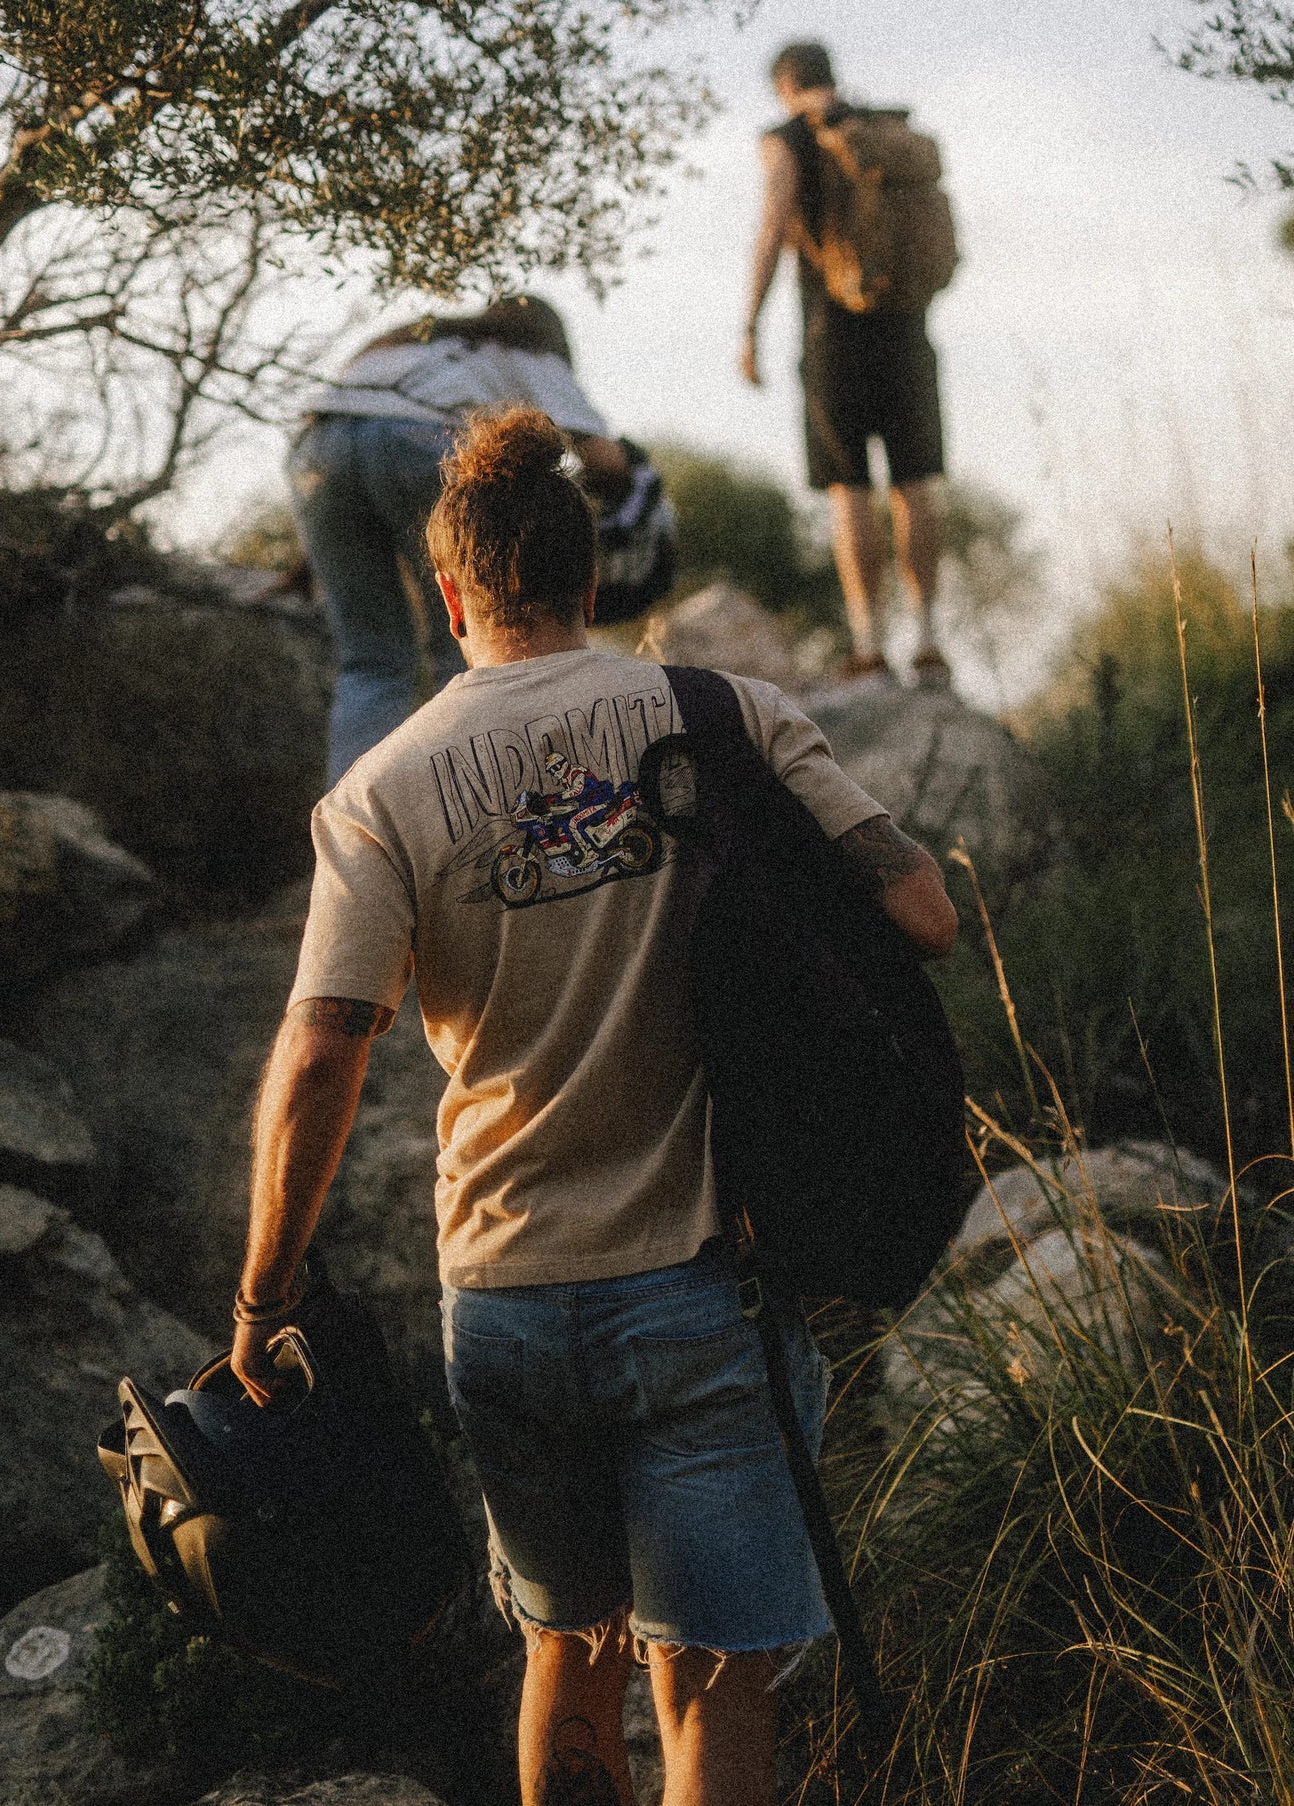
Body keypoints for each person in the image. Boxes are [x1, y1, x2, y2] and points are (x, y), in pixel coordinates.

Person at [233, 407, 957, 1806]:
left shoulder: (377, 792)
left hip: (503, 1296)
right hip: (708, 1291)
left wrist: (264, 1298)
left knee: (565, 1649)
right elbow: (919, 910)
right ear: (588, 577)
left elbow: (323, 1051)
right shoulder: (731, 715)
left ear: (447, 597)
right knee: (709, 1687)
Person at [288, 296, 629, 784]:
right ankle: (481, 804)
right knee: (469, 645)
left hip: (315, 450)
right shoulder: (526, 351)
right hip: (422, 441)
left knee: (372, 660)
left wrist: (309, 565)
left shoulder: (404, 340)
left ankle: (356, 828)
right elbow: (605, 461)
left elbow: (353, 452)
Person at [742, 40, 952, 686]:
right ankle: (926, 641)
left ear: (784, 86)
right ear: (832, 77)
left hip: (831, 331)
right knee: (914, 483)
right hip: (906, 325)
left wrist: (748, 324)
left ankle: (868, 647)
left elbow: (775, 223)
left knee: (849, 489)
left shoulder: (786, 137)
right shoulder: (886, 126)